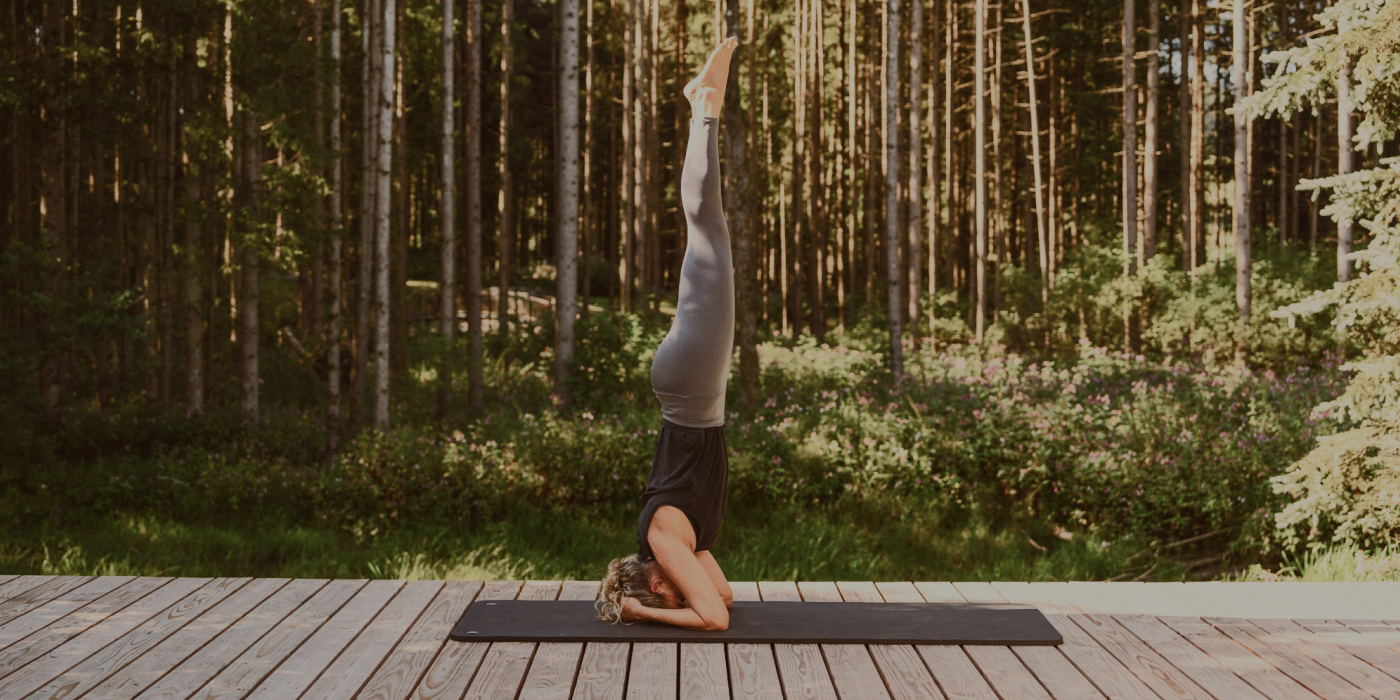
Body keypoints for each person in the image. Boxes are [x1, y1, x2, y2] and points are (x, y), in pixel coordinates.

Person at [595, 37, 740, 631]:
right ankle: (700, 106)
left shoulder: (662, 536)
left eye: (669, 595)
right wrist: (669, 599)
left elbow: (710, 621)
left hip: (691, 388)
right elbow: (722, 600)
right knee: (709, 233)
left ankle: (704, 105)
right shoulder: (684, 544)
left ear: (658, 582)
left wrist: (636, 610)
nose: (685, 591)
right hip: (691, 389)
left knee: (709, 228)